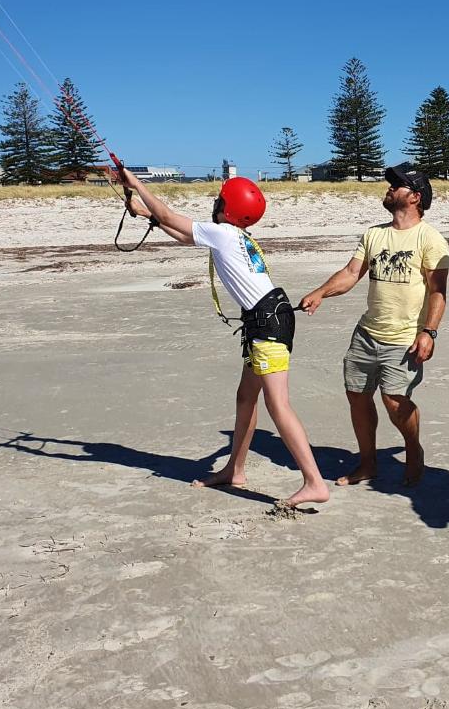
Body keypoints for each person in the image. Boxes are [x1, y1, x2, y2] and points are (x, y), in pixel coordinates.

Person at [118, 169, 329, 508]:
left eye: (221, 198)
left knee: (278, 405)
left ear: (228, 208)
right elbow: (184, 235)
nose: (215, 201)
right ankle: (235, 470)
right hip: (269, 317)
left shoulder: (224, 234)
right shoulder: (233, 235)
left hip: (267, 323)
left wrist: (137, 184)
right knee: (246, 398)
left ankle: (314, 482)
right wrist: (145, 214)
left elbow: (169, 215)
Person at [300, 164, 449, 487]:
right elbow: (352, 273)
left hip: (405, 336)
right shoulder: (374, 234)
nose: (390, 187)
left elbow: (438, 291)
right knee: (357, 394)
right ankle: (367, 463)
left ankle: (413, 449)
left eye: (398, 184)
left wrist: (429, 332)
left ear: (415, 197)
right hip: (367, 334)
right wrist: (321, 292)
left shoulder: (430, 239)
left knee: (395, 401)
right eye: (391, 183)